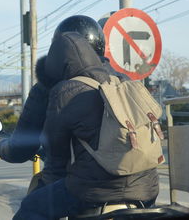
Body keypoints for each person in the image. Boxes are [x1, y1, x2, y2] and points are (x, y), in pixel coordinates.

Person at [12, 17, 159, 220]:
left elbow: (56, 155)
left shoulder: (64, 90)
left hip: (91, 191)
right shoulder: (124, 80)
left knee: (31, 207)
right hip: (147, 189)